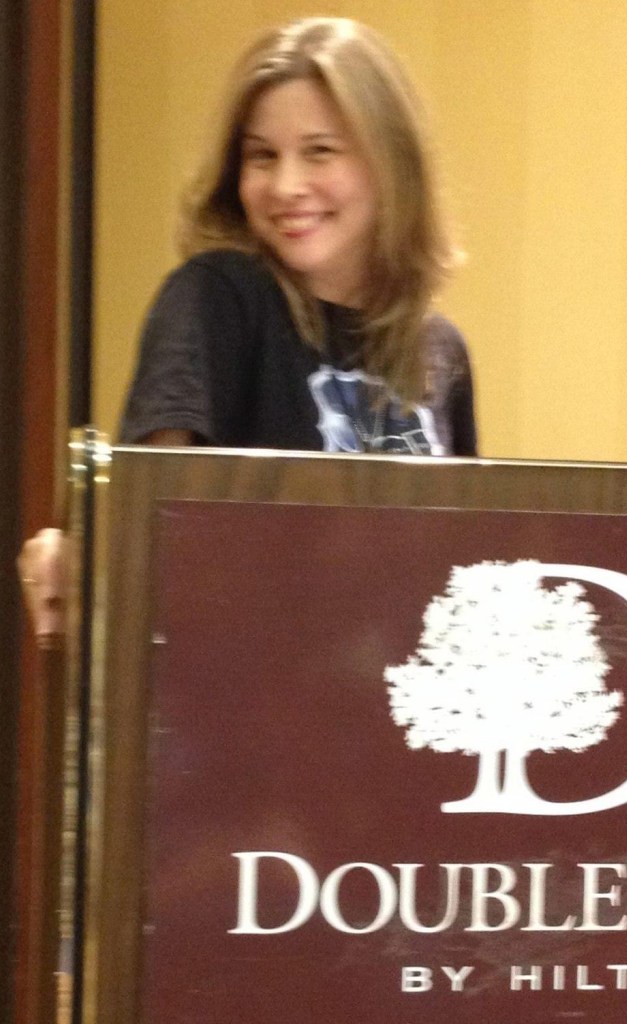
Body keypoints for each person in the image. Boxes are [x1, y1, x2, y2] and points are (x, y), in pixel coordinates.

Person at [19, 17, 477, 643]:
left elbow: (466, 560)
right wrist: (73, 557)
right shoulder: (216, 296)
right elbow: (144, 525)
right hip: (242, 689)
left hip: (395, 688)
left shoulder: (440, 351)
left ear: (390, 163)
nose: (286, 186)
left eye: (320, 151)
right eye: (262, 155)